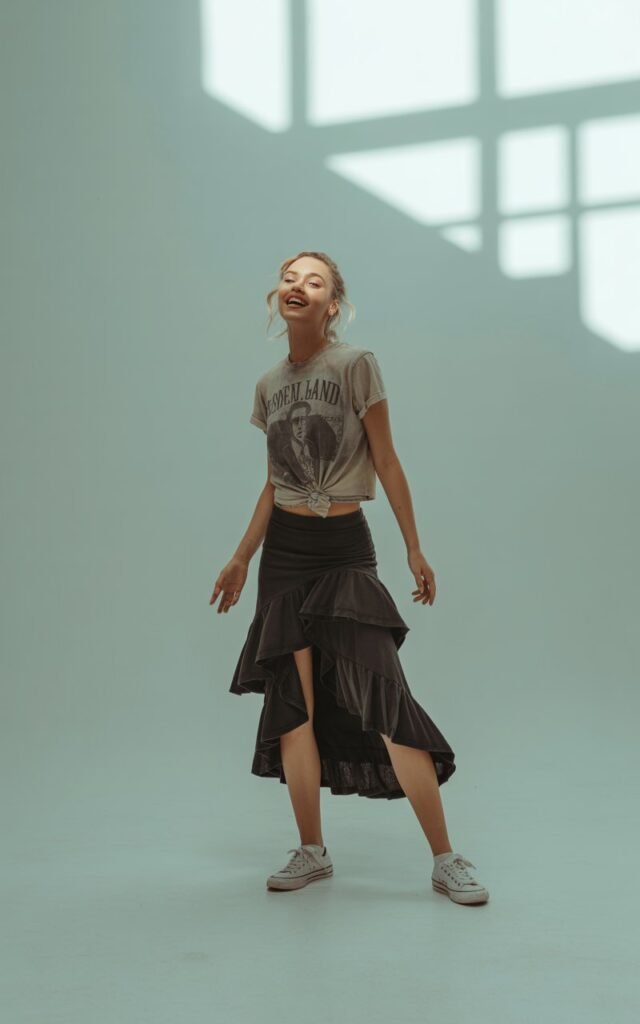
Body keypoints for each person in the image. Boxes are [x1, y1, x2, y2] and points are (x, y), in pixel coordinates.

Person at [210, 251, 489, 906]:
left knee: (384, 696)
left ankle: (446, 858)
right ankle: (312, 849)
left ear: (333, 304)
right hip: (284, 554)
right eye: (288, 277)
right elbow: (273, 482)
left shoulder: (356, 365)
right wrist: (241, 555)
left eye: (314, 280)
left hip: (342, 550)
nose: (296, 286)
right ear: (277, 296)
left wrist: (415, 547)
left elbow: (386, 460)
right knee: (295, 709)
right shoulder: (269, 383)